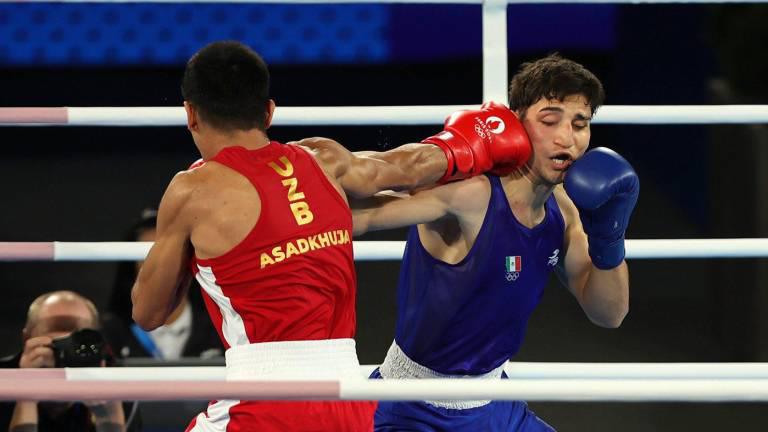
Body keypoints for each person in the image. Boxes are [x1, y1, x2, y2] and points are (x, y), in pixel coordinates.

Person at [130, 40, 531, 431]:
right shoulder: (322, 160)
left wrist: (188, 246)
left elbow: (147, 313)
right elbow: (405, 167)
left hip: (264, 397)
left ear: (191, 114)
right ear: (269, 112)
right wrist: (471, 143)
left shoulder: (192, 190)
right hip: (350, 398)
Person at [353, 54, 639, 431]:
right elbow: (361, 214)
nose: (566, 137)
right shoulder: (471, 195)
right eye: (549, 120)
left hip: (494, 406)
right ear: (516, 124)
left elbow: (609, 313)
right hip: (410, 407)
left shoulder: (563, 211)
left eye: (580, 124)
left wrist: (609, 236)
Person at [0, 291, 139, 432]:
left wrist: (109, 419)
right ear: (27, 339)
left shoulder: (117, 385)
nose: (67, 346)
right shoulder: (3, 380)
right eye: (55, 330)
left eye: (79, 340)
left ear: (97, 342)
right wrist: (26, 398)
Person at [103, 207, 223, 360]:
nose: (161, 269)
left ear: (190, 260)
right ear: (132, 267)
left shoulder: (220, 325)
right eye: (147, 258)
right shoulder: (111, 333)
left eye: (170, 258)